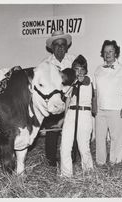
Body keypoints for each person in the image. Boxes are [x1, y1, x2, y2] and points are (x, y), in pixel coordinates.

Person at [39, 30, 76, 167]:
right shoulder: (45, 63)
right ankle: (51, 162)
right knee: (52, 131)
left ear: (66, 46)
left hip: (71, 102)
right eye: (57, 45)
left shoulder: (73, 60)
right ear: (52, 47)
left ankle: (72, 160)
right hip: (53, 103)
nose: (60, 47)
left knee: (71, 131)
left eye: (62, 45)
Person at [93, 40, 122, 166]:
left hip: (116, 109)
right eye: (105, 52)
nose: (108, 54)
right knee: (100, 137)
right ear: (102, 54)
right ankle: (100, 162)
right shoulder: (98, 70)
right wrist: (94, 105)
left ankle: (115, 162)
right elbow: (95, 90)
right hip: (100, 109)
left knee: (116, 138)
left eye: (111, 51)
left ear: (116, 53)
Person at [60, 55, 94, 177]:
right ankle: (66, 174)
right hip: (71, 114)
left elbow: (85, 81)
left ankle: (88, 173)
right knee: (65, 145)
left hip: (84, 114)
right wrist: (64, 119)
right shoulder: (71, 84)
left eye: (82, 69)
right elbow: (67, 101)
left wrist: (80, 79)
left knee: (83, 146)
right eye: (76, 69)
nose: (79, 72)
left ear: (85, 70)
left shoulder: (89, 80)